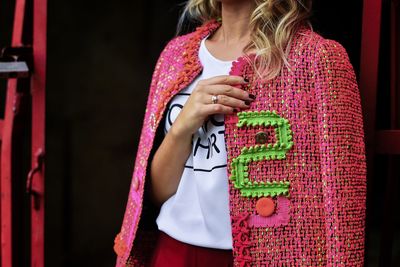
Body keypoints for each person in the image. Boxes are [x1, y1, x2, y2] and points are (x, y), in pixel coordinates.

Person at [114, 0, 367, 266]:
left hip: (266, 257)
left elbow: (343, 209)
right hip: (172, 251)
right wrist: (181, 128)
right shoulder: (175, 55)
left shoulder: (316, 59)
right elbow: (155, 194)